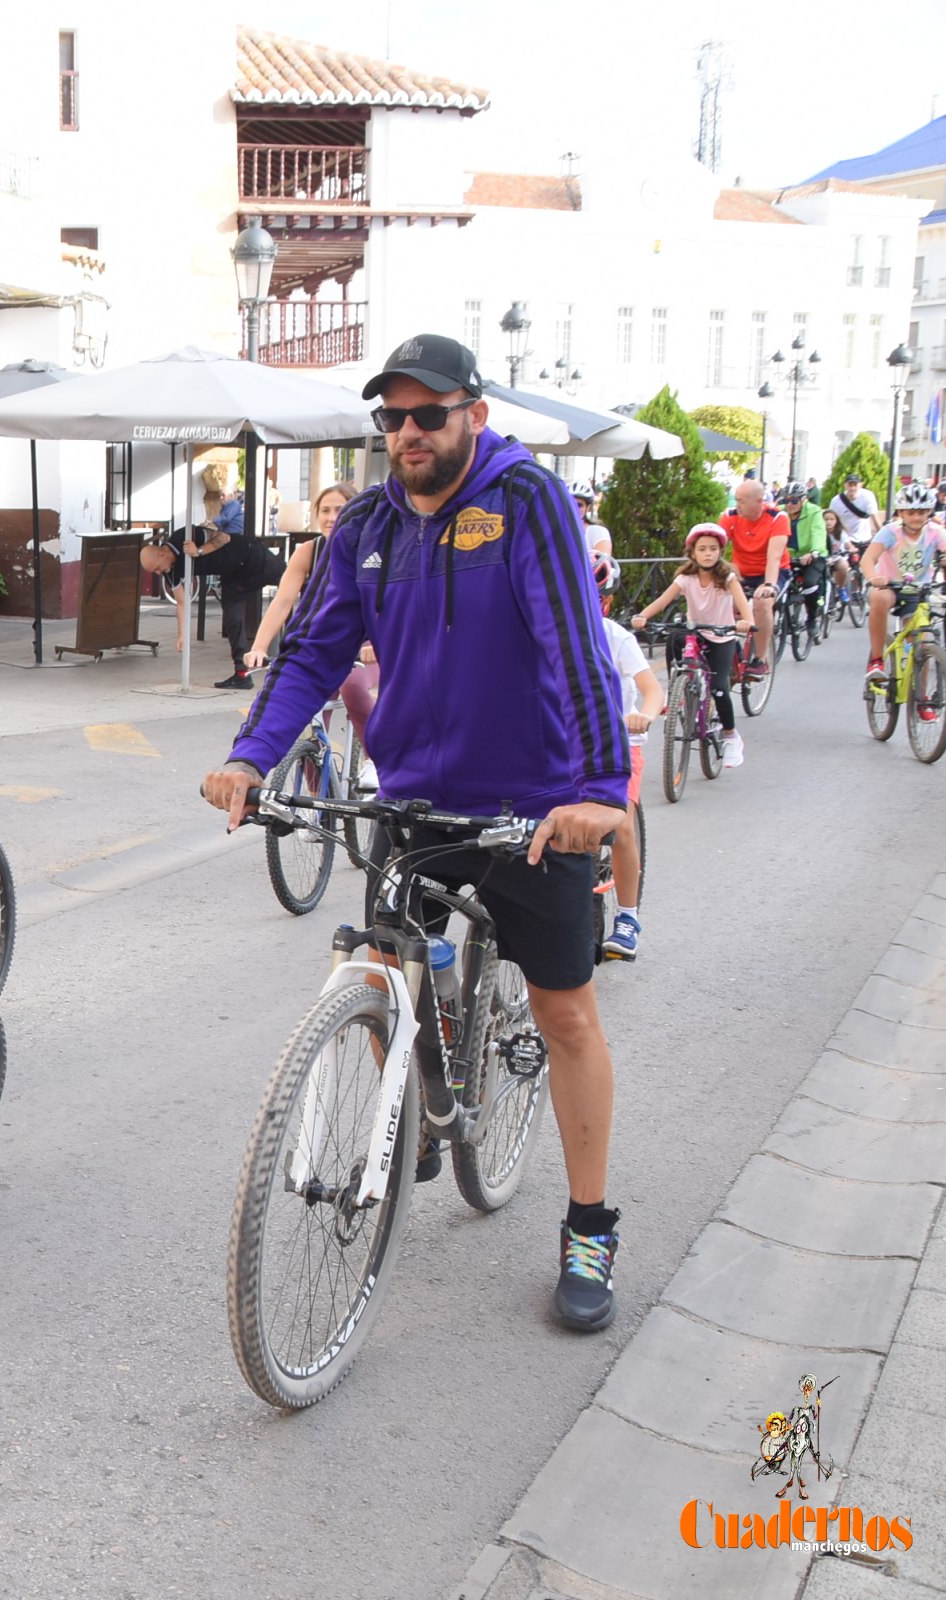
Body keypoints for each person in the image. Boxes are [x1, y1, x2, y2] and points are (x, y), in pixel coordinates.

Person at [203, 332, 631, 1334]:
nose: (406, 432)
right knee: (397, 969)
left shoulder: (526, 505)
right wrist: (249, 757)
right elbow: (313, 652)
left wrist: (601, 787)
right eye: (390, 417)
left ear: (472, 416)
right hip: (416, 793)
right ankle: (427, 1090)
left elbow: (575, 648)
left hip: (532, 802)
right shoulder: (365, 523)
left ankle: (590, 1225)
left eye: (426, 414)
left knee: (566, 1015)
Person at [244, 482, 378, 738]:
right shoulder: (309, 551)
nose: (331, 518)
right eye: (325, 510)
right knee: (304, 710)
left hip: (368, 648)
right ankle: (314, 771)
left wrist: (374, 643)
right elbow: (283, 601)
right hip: (324, 646)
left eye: (340, 509)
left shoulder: (373, 549)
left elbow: (389, 604)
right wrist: (259, 647)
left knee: (353, 687)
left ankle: (374, 761)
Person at [632, 526, 753, 767]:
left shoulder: (727, 578)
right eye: (702, 549)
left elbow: (744, 607)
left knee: (719, 688)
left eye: (713, 549)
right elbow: (663, 600)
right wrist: (642, 616)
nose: (708, 554)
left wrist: (746, 622)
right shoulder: (685, 578)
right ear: (692, 553)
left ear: (720, 551)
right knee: (675, 637)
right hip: (696, 632)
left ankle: (730, 736)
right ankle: (676, 688)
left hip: (721, 636)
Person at [597, 564, 664, 962]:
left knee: (621, 824)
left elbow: (650, 690)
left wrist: (645, 714)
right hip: (566, 745)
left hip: (619, 743)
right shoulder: (546, 634)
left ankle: (627, 917)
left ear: (606, 602)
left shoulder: (615, 636)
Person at [141, 524, 289, 690]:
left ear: (161, 553)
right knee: (232, 620)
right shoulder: (170, 571)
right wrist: (182, 635)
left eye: (156, 569)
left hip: (249, 556)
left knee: (296, 582)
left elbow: (224, 537)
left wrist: (199, 551)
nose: (158, 573)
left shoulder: (183, 536)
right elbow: (182, 602)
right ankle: (242, 674)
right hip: (234, 577)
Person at [861, 482, 944, 688]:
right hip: (890, 587)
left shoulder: (936, 532)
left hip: (918, 591)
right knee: (879, 597)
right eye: (911, 512)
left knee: (922, 644)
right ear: (901, 513)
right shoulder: (890, 531)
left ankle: (922, 699)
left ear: (929, 512)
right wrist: (874, 578)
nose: (917, 517)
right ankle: (876, 660)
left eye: (923, 512)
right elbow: (868, 560)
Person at [719, 478, 792, 674]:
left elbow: (774, 557)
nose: (738, 505)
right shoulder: (730, 516)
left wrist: (768, 585)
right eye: (736, 500)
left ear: (759, 501)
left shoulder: (778, 517)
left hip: (772, 571)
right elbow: (716, 547)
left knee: (762, 602)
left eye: (742, 501)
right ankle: (729, 646)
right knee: (722, 601)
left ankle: (761, 658)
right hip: (742, 572)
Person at [831, 473, 881, 549]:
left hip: (865, 539)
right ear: (845, 485)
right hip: (845, 540)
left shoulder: (868, 496)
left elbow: (875, 517)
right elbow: (835, 523)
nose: (852, 488)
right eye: (850, 485)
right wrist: (847, 542)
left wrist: (883, 536)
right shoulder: (836, 501)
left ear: (860, 485)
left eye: (855, 485)